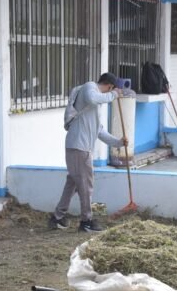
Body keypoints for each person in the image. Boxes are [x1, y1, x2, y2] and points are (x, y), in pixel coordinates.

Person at [49, 73, 128, 233]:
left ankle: (58, 217)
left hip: (78, 146)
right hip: (79, 147)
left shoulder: (93, 109)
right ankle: (86, 221)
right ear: (109, 86)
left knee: (72, 183)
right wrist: (114, 95)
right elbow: (94, 98)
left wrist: (119, 142)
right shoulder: (89, 87)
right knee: (86, 184)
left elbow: (100, 132)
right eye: (110, 91)